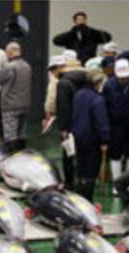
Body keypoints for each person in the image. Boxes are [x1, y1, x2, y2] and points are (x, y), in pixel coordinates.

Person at [0, 42, 32, 153]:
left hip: (11, 106)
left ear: (10, 53)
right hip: (25, 105)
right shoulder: (27, 66)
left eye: (6, 52)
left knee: (10, 136)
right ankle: (22, 155)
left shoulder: (10, 67)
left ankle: (12, 157)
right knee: (21, 134)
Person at [103, 59, 129, 188]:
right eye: (121, 78)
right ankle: (117, 183)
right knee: (115, 153)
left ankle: (128, 182)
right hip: (115, 125)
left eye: (125, 78)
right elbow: (105, 107)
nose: (123, 80)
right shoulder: (109, 85)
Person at [72, 69, 110, 201]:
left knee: (80, 170)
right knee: (91, 172)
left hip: (78, 138)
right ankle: (87, 199)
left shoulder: (78, 95)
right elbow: (101, 122)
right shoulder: (98, 100)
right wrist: (105, 140)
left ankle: (79, 198)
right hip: (93, 140)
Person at [55, 55, 87, 189]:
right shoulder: (86, 80)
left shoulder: (63, 83)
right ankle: (83, 180)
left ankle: (69, 182)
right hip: (85, 123)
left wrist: (63, 128)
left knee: (68, 154)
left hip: (69, 125)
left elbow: (63, 107)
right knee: (83, 153)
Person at [43, 55, 67, 181]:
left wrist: (48, 112)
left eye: (53, 69)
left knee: (63, 146)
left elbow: (51, 99)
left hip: (60, 116)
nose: (52, 72)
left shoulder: (55, 82)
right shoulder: (70, 78)